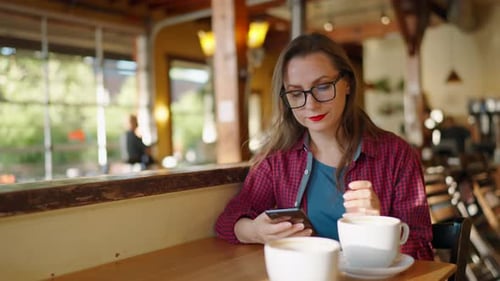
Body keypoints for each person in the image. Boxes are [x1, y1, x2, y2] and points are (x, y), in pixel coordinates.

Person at [214, 33, 433, 260]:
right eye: (297, 93)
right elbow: (227, 222)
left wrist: (378, 227)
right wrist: (256, 232)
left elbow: (422, 249)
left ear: (347, 83)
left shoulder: (397, 155)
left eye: (323, 86)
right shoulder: (276, 160)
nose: (311, 104)